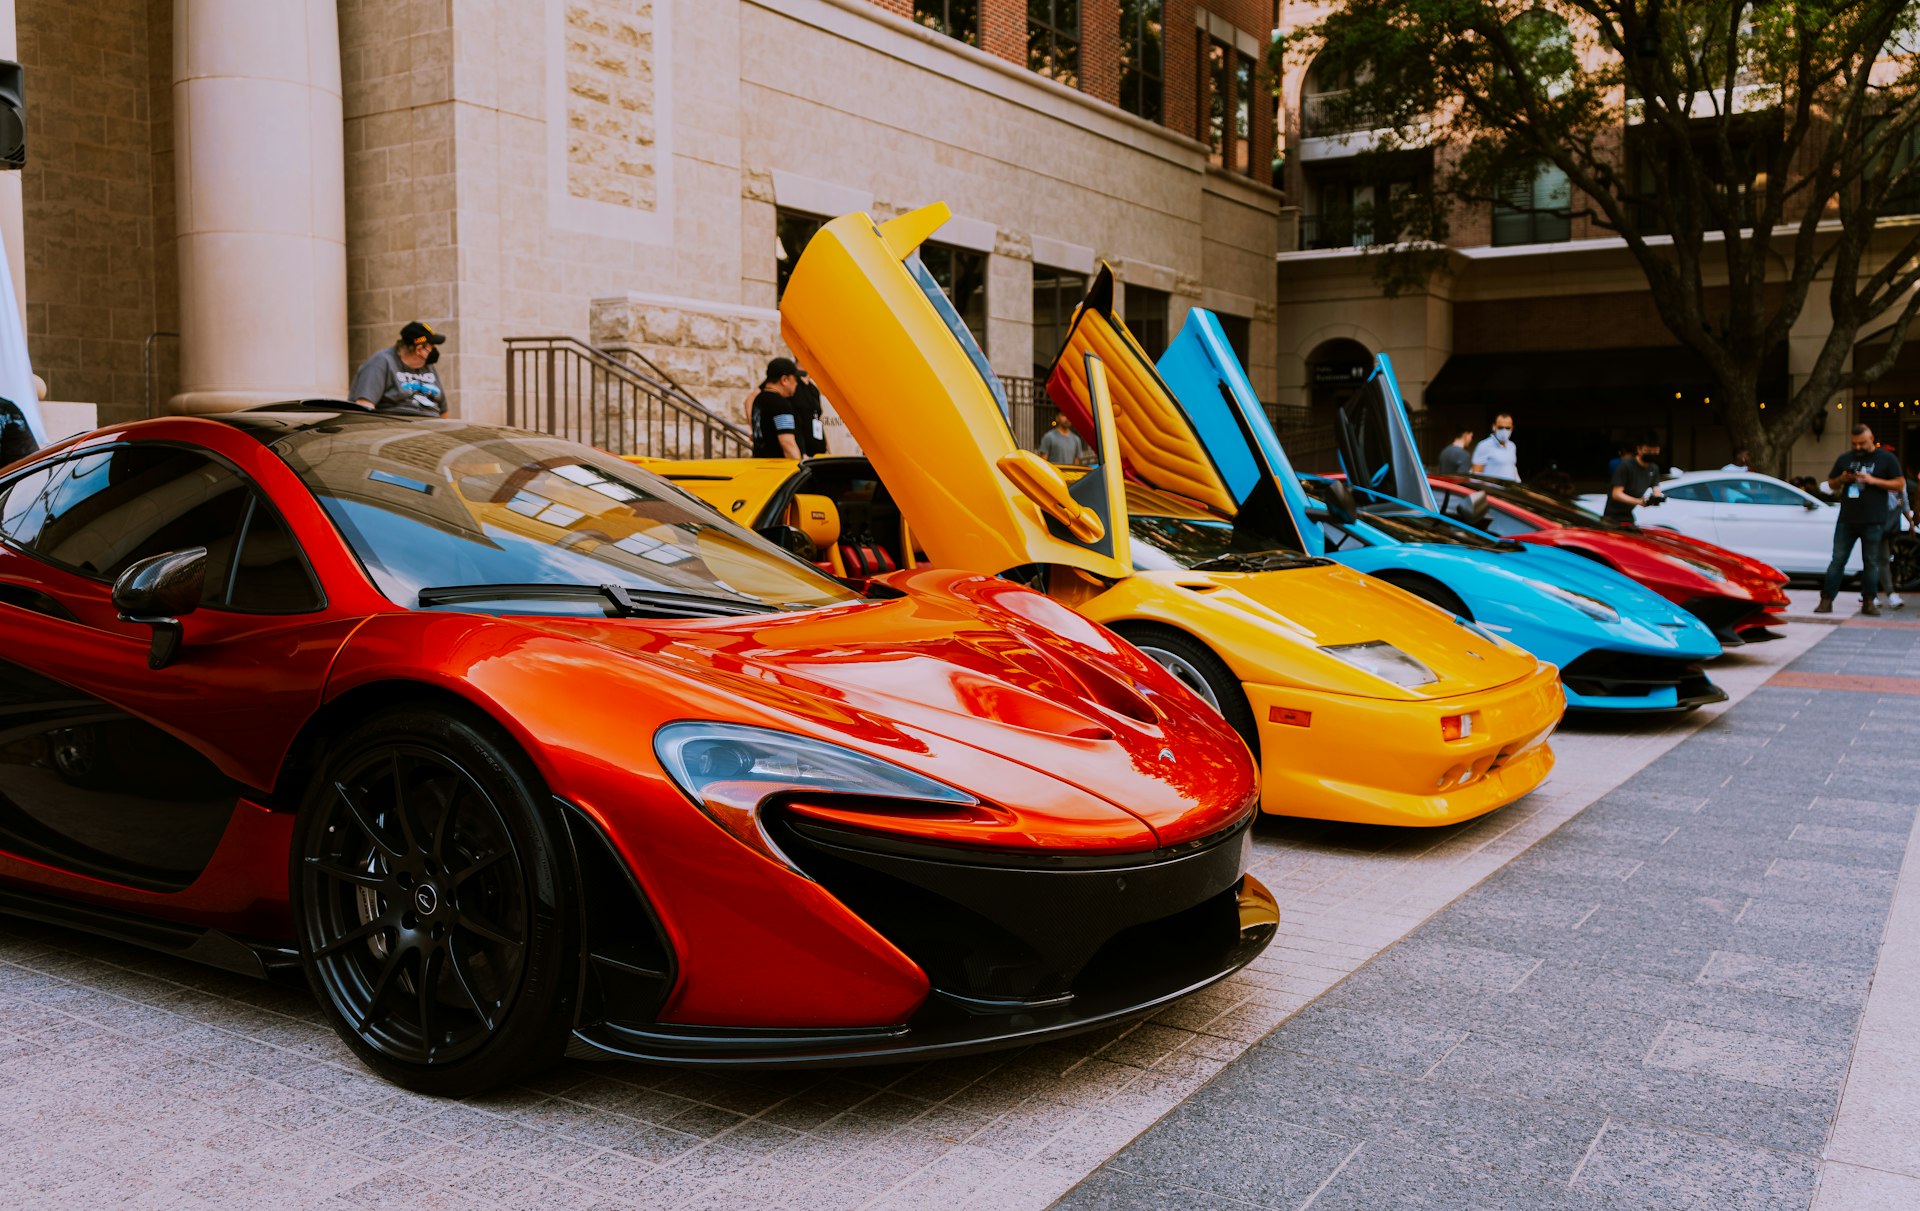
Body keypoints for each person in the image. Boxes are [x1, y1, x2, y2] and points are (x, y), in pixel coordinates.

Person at [1815, 424, 1904, 615]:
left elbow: (1899, 483)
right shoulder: (1845, 458)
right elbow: (1831, 484)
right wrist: (1842, 479)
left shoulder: (1887, 459)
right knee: (1838, 560)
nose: (1857, 448)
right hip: (1847, 519)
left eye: (1861, 443)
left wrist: (1873, 481)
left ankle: (1869, 601)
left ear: (1871, 437)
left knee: (1871, 562)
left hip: (1874, 520)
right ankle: (1826, 600)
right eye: (1854, 444)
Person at [352, 321, 448, 416]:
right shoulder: (380, 362)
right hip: (399, 426)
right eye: (432, 347)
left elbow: (443, 411)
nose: (434, 351)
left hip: (432, 425)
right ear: (419, 349)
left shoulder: (428, 366)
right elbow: (364, 406)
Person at [750, 357, 825, 460]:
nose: (796, 384)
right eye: (794, 380)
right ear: (784, 380)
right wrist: (799, 468)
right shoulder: (781, 405)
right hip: (779, 469)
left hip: (760, 465)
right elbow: (787, 443)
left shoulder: (759, 400)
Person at [1604, 432, 1666, 522]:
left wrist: (1657, 496)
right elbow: (1616, 494)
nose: (1652, 454)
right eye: (1648, 451)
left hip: (1628, 515)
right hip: (1612, 516)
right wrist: (1639, 501)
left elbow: (1655, 486)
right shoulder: (1625, 466)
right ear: (1639, 449)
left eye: (1655, 451)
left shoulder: (1654, 468)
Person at [1471, 414, 1519, 480]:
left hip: (1509, 489)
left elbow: (1512, 467)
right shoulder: (1484, 446)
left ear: (1512, 428)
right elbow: (1476, 475)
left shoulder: (1512, 446)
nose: (1504, 431)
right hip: (1492, 489)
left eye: (1507, 428)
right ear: (1494, 427)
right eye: (1501, 427)